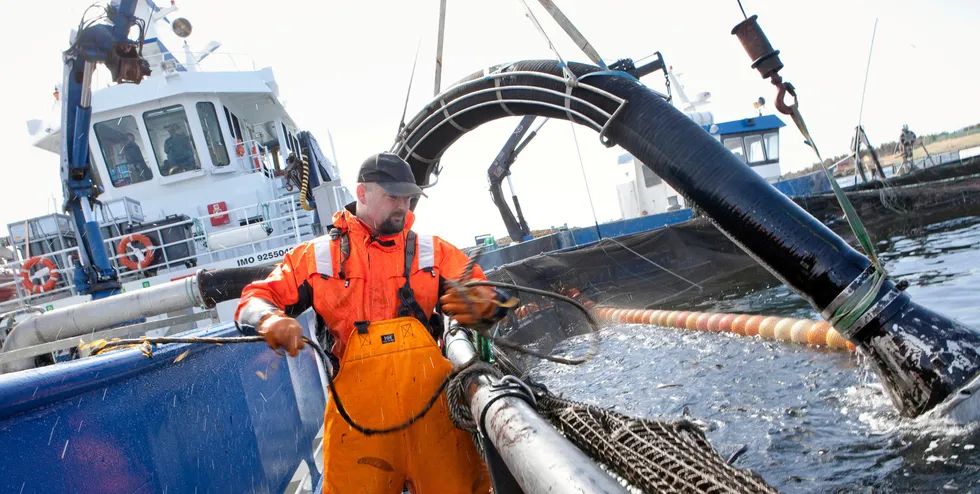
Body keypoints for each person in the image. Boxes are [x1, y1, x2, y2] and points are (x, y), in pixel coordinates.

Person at [236, 152, 509, 493]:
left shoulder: (433, 253)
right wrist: (269, 319)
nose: (402, 205)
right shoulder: (316, 258)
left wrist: (488, 307)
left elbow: (495, 300)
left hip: (434, 420)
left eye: (408, 197)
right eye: (393, 196)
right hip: (360, 428)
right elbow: (253, 299)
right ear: (362, 194)